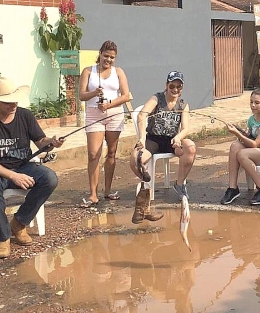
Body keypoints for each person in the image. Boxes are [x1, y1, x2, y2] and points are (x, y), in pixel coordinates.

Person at [0, 77, 64, 259]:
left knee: (49, 178)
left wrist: (51, 142)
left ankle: (19, 223)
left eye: (15, 100)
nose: (13, 105)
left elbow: (40, 142)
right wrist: (13, 176)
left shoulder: (25, 116)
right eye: (7, 102)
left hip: (22, 166)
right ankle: (3, 237)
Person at [129, 71, 196, 222]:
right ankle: (145, 198)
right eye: (172, 85)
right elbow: (141, 115)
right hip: (152, 139)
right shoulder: (157, 98)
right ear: (166, 85)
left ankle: (179, 184)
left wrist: (178, 138)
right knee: (135, 159)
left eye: (179, 86)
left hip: (171, 140)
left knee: (190, 147)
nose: (175, 89)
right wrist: (141, 138)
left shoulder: (183, 104)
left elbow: (185, 128)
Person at [78, 40, 131, 207]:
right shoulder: (88, 71)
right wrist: (95, 92)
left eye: (112, 57)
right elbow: (81, 95)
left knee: (111, 153)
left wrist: (109, 104)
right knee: (94, 153)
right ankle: (93, 194)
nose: (108, 60)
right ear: (99, 54)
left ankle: (107, 190)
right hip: (94, 114)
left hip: (114, 113)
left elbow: (125, 95)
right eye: (106, 56)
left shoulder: (119, 72)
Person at [220, 88, 260, 206]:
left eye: (257, 103)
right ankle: (232, 188)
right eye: (251, 102)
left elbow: (254, 144)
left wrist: (236, 133)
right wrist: (241, 133)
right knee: (235, 146)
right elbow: (249, 137)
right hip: (259, 150)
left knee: (242, 154)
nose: (253, 105)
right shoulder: (251, 119)